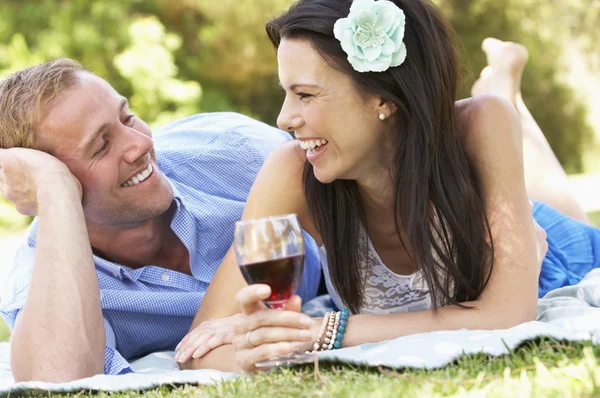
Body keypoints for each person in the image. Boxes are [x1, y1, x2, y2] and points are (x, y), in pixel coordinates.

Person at [175, 0, 600, 373]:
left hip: (555, 252)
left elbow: (510, 313)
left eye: (304, 94)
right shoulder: (291, 171)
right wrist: (259, 353)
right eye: (286, 93)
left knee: (552, 190)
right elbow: (201, 344)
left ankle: (505, 87)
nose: (284, 119)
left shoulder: (482, 124)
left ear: (383, 97)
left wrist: (324, 331)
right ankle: (504, 81)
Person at [0, 60, 322, 382]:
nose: (140, 144)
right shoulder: (46, 281)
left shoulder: (232, 147)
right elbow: (56, 381)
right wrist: (54, 191)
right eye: (101, 146)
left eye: (127, 118)